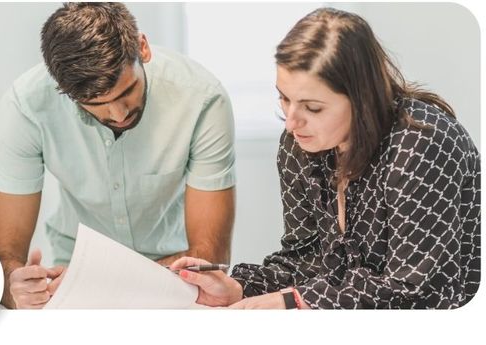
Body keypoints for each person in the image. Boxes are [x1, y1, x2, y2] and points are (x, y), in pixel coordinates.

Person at [171, 7, 480, 309]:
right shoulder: (300, 145)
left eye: (313, 108)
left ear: (362, 99)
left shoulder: (422, 145)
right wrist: (239, 288)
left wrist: (296, 301)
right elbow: (305, 260)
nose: (291, 122)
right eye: (284, 97)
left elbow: (419, 293)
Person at [0, 3, 236, 309]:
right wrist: (15, 289)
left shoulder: (202, 98)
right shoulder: (26, 106)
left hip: (178, 282)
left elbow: (211, 258)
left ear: (143, 49)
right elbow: (4, 257)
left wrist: (99, 285)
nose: (119, 114)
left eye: (126, 91)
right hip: (72, 281)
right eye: (97, 104)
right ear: (62, 89)